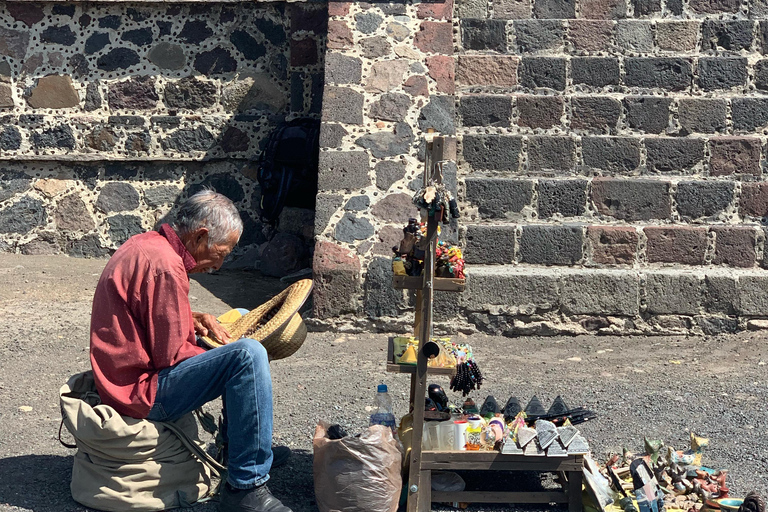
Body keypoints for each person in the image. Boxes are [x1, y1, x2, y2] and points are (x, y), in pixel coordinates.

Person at [89, 189, 293, 512]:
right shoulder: (167, 267)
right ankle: (246, 486)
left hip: (129, 375)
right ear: (201, 236)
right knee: (247, 356)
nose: (220, 264)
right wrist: (224, 351)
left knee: (238, 320)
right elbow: (168, 357)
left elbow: (149, 313)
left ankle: (240, 448)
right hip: (141, 391)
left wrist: (195, 319)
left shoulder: (150, 245)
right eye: (222, 253)